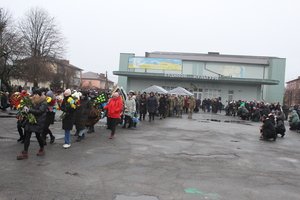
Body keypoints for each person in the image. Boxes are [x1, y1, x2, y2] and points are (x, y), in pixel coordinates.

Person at [17, 89, 47, 160]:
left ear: (39, 95)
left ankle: (42, 148)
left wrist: (29, 110)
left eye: (36, 94)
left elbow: (40, 111)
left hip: (38, 122)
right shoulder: (32, 101)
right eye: (34, 94)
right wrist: (24, 110)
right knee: (27, 135)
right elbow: (27, 108)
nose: (34, 96)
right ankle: (25, 152)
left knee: (38, 136)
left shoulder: (44, 102)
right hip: (30, 121)